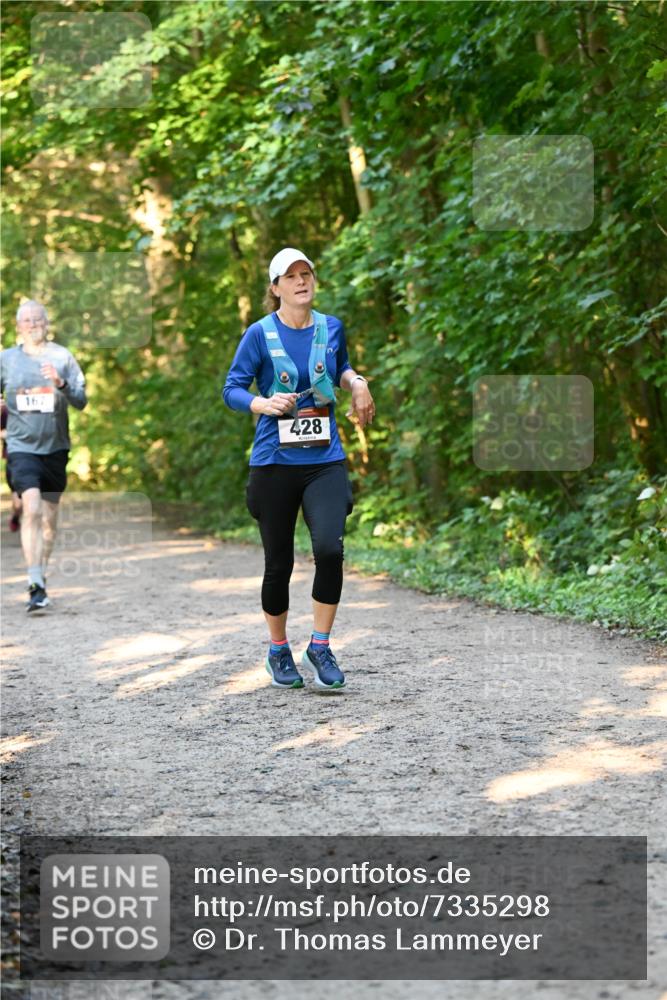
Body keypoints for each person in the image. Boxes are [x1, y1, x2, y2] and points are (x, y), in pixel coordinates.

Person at [223, 248, 375, 692]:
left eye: (306, 273)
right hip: (274, 463)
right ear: (275, 288)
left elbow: (341, 368)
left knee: (330, 550)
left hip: (324, 458)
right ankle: (277, 650)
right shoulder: (258, 334)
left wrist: (358, 384)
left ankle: (320, 646)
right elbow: (231, 388)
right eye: (290, 277)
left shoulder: (331, 328)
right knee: (279, 563)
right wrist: (262, 403)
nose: (300, 281)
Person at [0, 300, 88, 612]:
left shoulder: (62, 357)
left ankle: (41, 575)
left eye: (38, 319)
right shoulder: (6, 360)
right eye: (27, 320)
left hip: (56, 449)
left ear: (47, 324)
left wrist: (61, 383)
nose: (33, 324)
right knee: (31, 508)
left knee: (49, 522)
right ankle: (34, 583)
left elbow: (81, 400)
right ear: (18, 326)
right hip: (22, 448)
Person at [1, 401, 22, 531]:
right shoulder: (5, 410)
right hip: (13, 459)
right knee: (19, 504)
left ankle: (30, 530)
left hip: (37, 459)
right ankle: (15, 517)